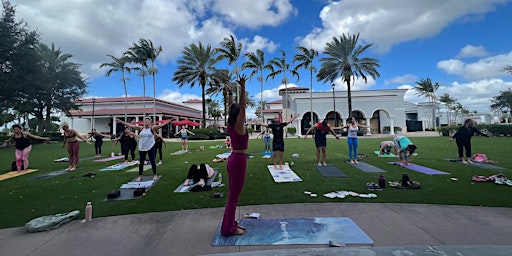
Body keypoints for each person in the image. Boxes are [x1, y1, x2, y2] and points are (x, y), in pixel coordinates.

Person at [221, 75, 249, 236]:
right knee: (233, 196)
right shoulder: (238, 124)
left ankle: (231, 223)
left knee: (233, 195)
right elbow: (243, 106)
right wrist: (242, 87)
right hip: (238, 161)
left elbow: (232, 106)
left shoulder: (232, 123)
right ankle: (228, 229)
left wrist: (230, 92)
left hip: (234, 159)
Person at [115, 117, 171, 181]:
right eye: (145, 120)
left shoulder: (152, 128)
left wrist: (171, 120)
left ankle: (155, 174)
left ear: (150, 122)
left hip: (150, 147)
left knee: (152, 161)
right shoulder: (141, 128)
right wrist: (120, 121)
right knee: (141, 162)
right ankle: (140, 175)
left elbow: (162, 125)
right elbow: (129, 125)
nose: (146, 121)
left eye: (148, 120)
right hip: (142, 147)